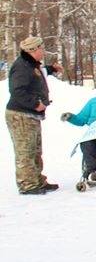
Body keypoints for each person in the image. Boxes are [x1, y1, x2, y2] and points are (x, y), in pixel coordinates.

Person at [5, 35, 60, 195]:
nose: (43, 51)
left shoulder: (31, 64)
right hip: (20, 115)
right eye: (41, 48)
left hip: (31, 116)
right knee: (25, 150)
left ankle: (37, 180)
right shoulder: (21, 66)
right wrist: (36, 104)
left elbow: (38, 73)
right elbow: (17, 91)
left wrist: (52, 69)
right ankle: (27, 184)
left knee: (35, 150)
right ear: (34, 50)